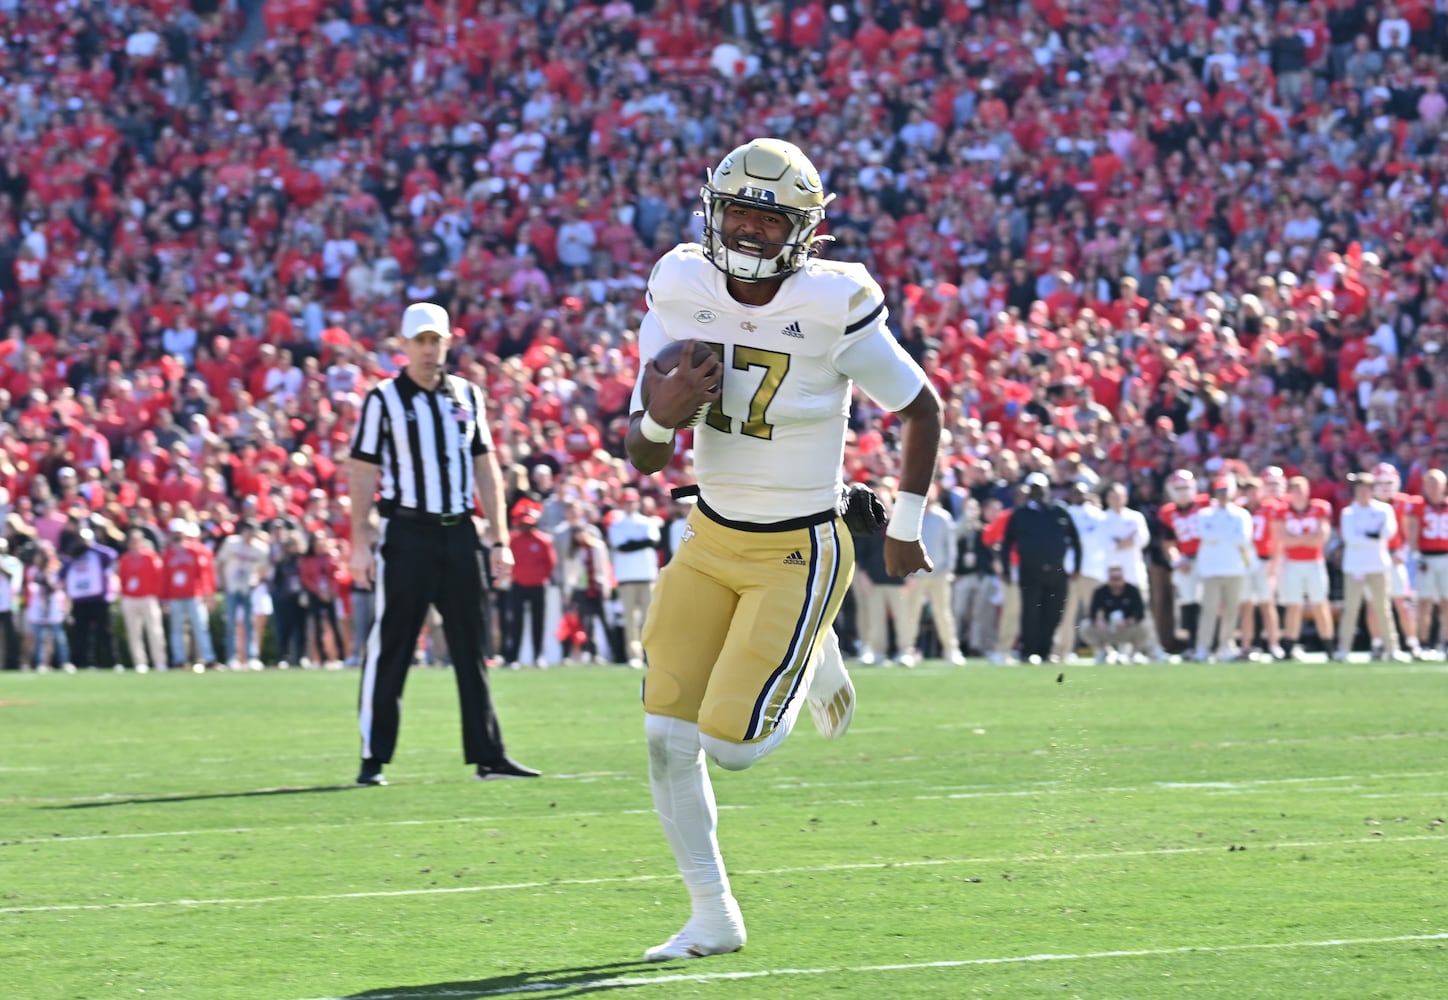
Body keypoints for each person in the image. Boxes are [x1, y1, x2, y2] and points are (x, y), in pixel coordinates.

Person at [623, 138, 940, 962]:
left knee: (731, 747)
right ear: (713, 212)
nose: (754, 232)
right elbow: (642, 452)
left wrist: (904, 528)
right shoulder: (680, 283)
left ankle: (814, 653)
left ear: (803, 230)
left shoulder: (835, 300)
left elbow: (922, 408)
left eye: (772, 218)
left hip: (800, 547)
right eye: (741, 213)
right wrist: (664, 413)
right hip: (709, 534)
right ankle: (712, 915)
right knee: (664, 733)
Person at [348, 301, 538, 786]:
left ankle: (488, 755)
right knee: (391, 645)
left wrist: (500, 539)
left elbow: (486, 468)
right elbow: (363, 471)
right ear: (405, 346)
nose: (430, 350)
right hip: (408, 531)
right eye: (421, 341)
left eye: (437, 341)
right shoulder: (383, 399)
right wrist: (360, 542)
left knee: (472, 647)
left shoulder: (467, 396)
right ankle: (374, 757)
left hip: (460, 533)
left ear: (448, 343)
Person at [1001, 472, 1082, 664]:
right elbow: (1006, 544)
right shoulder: (1020, 514)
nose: (1038, 492)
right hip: (1030, 572)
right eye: (1034, 489)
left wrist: (1077, 566)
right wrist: (1006, 570)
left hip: (1057, 572)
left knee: (1053, 612)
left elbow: (1076, 541)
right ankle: (1028, 652)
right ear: (1029, 491)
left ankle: (1046, 652)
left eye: (1041, 488)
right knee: (1030, 613)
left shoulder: (1059, 511)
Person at [1336, 471, 1407, 662]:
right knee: (1351, 608)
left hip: (1378, 565)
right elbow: (1351, 538)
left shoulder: (1383, 510)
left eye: (1367, 488)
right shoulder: (1348, 512)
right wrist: (1373, 535)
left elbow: (1388, 532)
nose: (1363, 492)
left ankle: (1392, 648)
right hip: (1354, 567)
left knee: (1383, 608)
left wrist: (1367, 536)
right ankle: (1344, 649)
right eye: (1360, 488)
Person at [897, 486, 963, 665]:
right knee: (911, 613)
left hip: (939, 574)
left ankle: (951, 650)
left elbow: (950, 546)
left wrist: (949, 569)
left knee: (943, 613)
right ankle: (907, 650)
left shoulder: (943, 517)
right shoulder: (910, 517)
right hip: (915, 575)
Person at [1192, 476, 1254, 662]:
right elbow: (1206, 535)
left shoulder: (1241, 514)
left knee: (1231, 611)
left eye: (1225, 492)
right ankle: (1203, 646)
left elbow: (1243, 538)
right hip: (1211, 569)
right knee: (1209, 610)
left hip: (1234, 568)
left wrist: (1220, 535)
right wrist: (1227, 534)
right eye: (1219, 492)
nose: (1222, 496)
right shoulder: (1205, 514)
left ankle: (1226, 645)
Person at [1274, 475, 1335, 660]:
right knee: (1293, 605)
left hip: (1314, 562)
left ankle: (1329, 645)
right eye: (1294, 490)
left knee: (1320, 603)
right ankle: (1289, 645)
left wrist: (1296, 540)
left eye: (1301, 490)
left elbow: (1322, 537)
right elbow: (1282, 539)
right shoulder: (1282, 511)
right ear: (1289, 493)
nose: (1298, 494)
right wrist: (1307, 539)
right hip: (1291, 563)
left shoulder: (1319, 508)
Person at [1371, 463, 1424, 658]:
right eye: (1380, 482)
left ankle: (1412, 643)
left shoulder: (1404, 503)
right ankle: (1377, 644)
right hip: (1374, 557)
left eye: (1388, 482)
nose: (1385, 487)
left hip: (1396, 556)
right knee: (1373, 605)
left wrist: (1402, 553)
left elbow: (1408, 533)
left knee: (1403, 603)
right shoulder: (1367, 503)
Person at [606, 487, 660, 668]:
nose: (629, 506)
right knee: (630, 620)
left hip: (646, 576)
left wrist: (633, 543)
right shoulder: (617, 525)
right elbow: (622, 546)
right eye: (626, 502)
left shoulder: (647, 522)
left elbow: (652, 541)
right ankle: (634, 655)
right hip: (626, 578)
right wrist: (640, 542)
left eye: (632, 502)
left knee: (649, 619)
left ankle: (650, 654)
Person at [1054, 481, 1107, 660]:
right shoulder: (1065, 514)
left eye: (1081, 493)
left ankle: (1102, 649)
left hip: (1091, 569)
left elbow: (1099, 542)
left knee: (1096, 613)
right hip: (1069, 571)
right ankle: (1063, 650)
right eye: (1075, 492)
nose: (1078, 496)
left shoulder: (1097, 515)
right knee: (1066, 614)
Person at [504, 498, 557, 669]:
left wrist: (540, 577)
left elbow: (550, 563)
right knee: (515, 622)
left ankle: (538, 656)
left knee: (538, 622)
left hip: (537, 586)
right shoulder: (513, 540)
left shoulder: (543, 540)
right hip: (518, 585)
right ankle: (513, 658)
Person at [1237, 476, 1286, 660]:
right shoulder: (1239, 510)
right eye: (1248, 491)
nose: (1251, 494)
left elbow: (1277, 537)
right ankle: (1246, 645)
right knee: (1246, 605)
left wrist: (1275, 563)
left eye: (1254, 490)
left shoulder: (1270, 509)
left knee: (1267, 603)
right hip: (1245, 562)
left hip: (1264, 560)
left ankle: (1274, 644)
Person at [1160, 469, 1209, 651]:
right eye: (1178, 488)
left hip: (1208, 559)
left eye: (1186, 487)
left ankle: (1211, 643)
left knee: (1210, 602)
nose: (1183, 492)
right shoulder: (1168, 512)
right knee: (1188, 602)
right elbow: (1169, 542)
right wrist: (1178, 560)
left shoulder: (1205, 504)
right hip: (1186, 561)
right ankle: (1192, 643)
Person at [214, 519, 271, 670]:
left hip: (247, 589)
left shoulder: (260, 548)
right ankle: (232, 657)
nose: (249, 535)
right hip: (232, 587)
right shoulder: (232, 543)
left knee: (249, 623)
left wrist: (255, 580)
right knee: (231, 623)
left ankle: (251, 657)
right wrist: (224, 583)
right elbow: (220, 563)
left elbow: (262, 571)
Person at [162, 518, 217, 672]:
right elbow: (164, 577)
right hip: (175, 596)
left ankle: (209, 658)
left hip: (194, 595)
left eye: (179, 533)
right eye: (174, 533)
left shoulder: (195, 551)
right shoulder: (168, 554)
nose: (177, 536)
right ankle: (179, 659)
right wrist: (164, 598)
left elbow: (204, 575)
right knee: (177, 629)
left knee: (200, 627)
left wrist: (208, 594)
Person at [117, 529, 166, 673]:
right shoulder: (125, 558)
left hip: (147, 597)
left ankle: (159, 662)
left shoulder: (150, 557)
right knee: (134, 633)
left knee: (155, 631)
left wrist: (158, 596)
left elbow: (159, 577)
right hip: (131, 598)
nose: (133, 544)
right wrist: (125, 594)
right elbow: (123, 578)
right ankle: (140, 662)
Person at [1082, 566, 1152, 663]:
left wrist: (1129, 622)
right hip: (1108, 628)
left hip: (1127, 628)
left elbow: (1140, 613)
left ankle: (1134, 653)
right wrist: (1099, 621)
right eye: (1113, 579)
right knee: (1085, 626)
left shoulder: (1132, 590)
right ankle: (1103, 651)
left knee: (1146, 625)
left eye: (1118, 579)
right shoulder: (1100, 591)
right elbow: (1092, 613)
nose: (1116, 582)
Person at [1413, 469, 1448, 656]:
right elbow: (1411, 532)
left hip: (1446, 556)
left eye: (1437, 483)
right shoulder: (1418, 505)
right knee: (1424, 602)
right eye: (1430, 483)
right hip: (1426, 557)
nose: (1433, 487)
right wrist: (1416, 555)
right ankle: (1424, 643)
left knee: (1446, 602)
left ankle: (1446, 643)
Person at [0, 537, 23, 670]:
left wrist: (2, 567)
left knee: (12, 636)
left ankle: (14, 663)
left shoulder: (13, 562)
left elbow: (14, 581)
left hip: (9, 604)